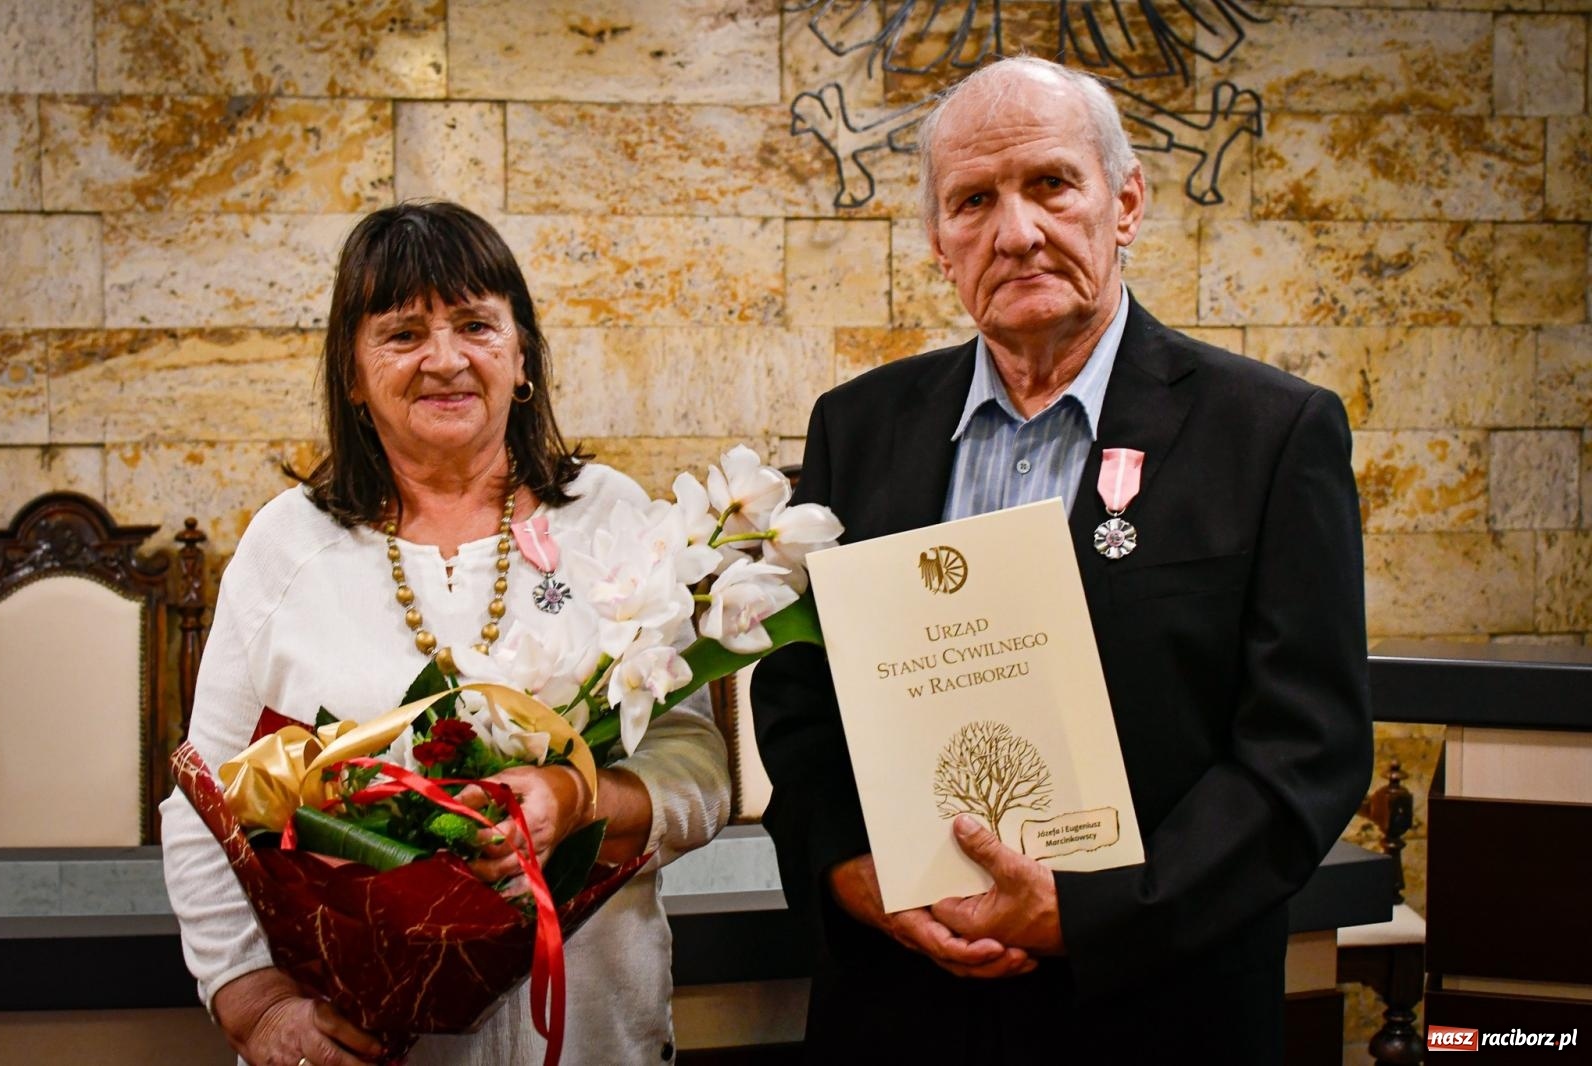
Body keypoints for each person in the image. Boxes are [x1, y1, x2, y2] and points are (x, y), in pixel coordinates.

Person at [751, 56, 1372, 1064]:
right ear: (938, 244)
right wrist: (851, 872)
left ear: (1123, 203)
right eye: (972, 201)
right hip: (903, 1010)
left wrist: (1095, 911)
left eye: (1050, 184)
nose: (1016, 231)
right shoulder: (855, 430)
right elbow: (797, 698)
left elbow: (1304, 748)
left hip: (1157, 1010)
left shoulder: (1267, 434)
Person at [160, 201, 729, 1066]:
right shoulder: (288, 545)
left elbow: (697, 769)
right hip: (364, 1043)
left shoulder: (614, 518)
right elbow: (204, 808)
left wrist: (582, 801)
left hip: (587, 1033)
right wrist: (257, 1004)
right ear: (351, 373)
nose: (446, 360)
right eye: (402, 334)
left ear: (521, 354)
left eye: (475, 324)